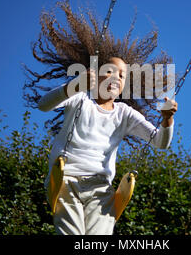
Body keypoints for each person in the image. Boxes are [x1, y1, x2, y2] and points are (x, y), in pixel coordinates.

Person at [38, 56, 178, 235]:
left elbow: (160, 142)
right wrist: (76, 85)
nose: (115, 78)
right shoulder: (79, 98)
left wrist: (167, 119)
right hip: (66, 180)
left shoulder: (124, 114)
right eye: (109, 71)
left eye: (121, 76)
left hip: (101, 189)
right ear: (95, 76)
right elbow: (43, 105)